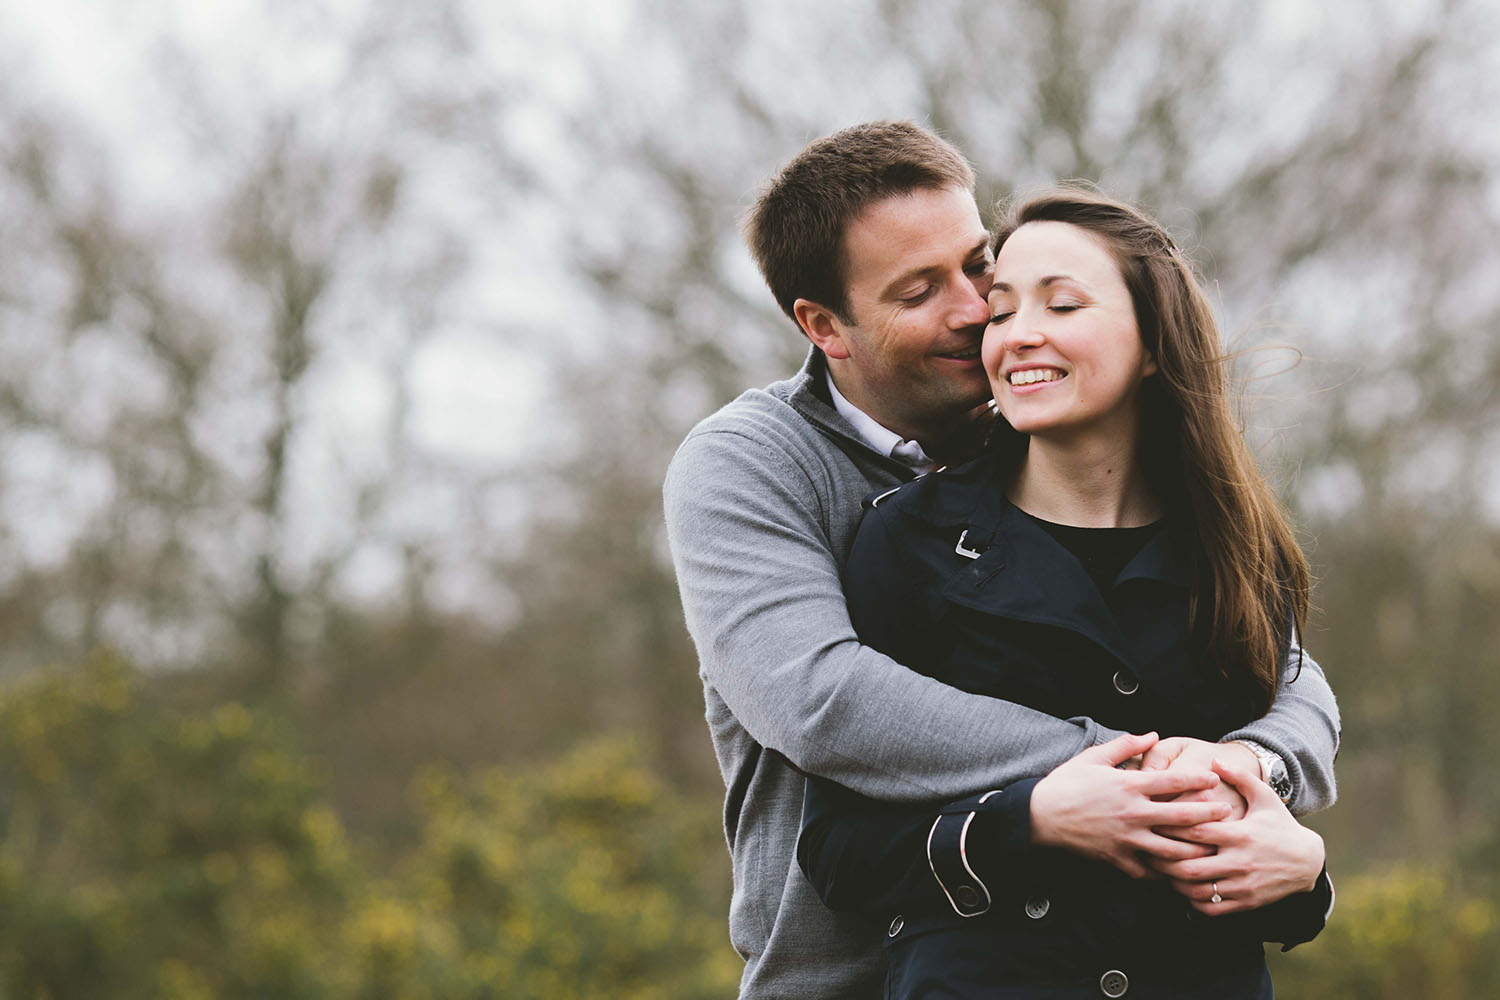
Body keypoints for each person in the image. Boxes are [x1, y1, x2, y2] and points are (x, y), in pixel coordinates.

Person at [662, 121, 1340, 999]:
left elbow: (1286, 671)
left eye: (977, 265)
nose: (978, 309)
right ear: (825, 325)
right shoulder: (752, 463)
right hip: (845, 977)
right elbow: (820, 699)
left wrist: (1259, 779)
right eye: (919, 291)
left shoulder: (1060, 434)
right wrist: (1127, 767)